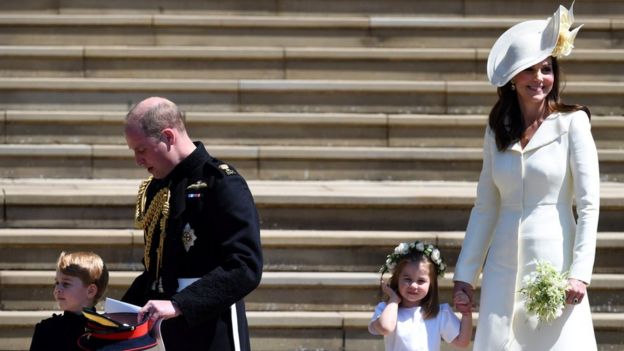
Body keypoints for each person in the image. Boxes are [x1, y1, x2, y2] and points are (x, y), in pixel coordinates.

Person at [452, 4, 600, 350]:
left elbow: (590, 204)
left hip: (556, 265)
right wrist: (464, 276)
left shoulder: (573, 123)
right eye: (530, 70)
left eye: (546, 69)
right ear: (513, 78)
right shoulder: (497, 129)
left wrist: (580, 272)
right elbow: (485, 207)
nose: (539, 78)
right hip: (502, 269)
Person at [121, 96, 263, 351]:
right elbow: (156, 271)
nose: (137, 160)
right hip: (163, 330)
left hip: (211, 328)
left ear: (168, 136)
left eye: (141, 149)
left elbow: (245, 266)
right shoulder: (157, 188)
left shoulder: (220, 183)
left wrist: (179, 304)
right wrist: (117, 315)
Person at [369, 241, 472, 350]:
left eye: (421, 281)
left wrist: (466, 313)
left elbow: (462, 342)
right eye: (407, 279)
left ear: (431, 284)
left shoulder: (439, 313)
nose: (413, 285)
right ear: (397, 279)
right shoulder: (386, 310)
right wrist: (394, 300)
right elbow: (385, 327)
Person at [30, 251, 109, 351]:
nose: (57, 288)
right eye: (57, 282)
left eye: (66, 284)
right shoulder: (46, 329)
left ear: (90, 291)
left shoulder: (104, 332)